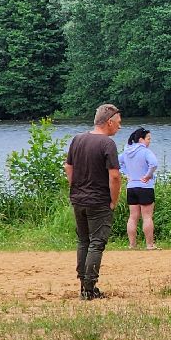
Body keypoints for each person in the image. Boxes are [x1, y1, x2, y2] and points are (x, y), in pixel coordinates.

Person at [64, 103, 122, 300]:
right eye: (119, 123)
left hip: (78, 199)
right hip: (98, 201)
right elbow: (114, 176)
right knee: (96, 243)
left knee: (83, 241)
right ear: (109, 122)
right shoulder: (107, 144)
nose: (120, 127)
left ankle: (83, 284)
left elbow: (68, 167)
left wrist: (76, 187)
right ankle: (89, 289)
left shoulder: (78, 139)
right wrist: (113, 201)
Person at [120, 127, 159, 250]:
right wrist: (148, 175)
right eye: (148, 139)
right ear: (141, 139)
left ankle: (132, 244)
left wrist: (127, 174)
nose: (149, 141)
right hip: (145, 187)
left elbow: (117, 162)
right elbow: (154, 164)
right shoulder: (145, 151)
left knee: (133, 217)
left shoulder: (126, 151)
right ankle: (149, 244)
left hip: (131, 187)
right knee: (147, 216)